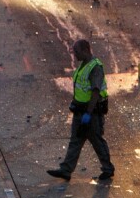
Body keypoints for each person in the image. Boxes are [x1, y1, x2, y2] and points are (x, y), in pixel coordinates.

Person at [47, 39, 115, 181]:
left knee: (96, 140)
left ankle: (108, 169)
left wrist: (88, 114)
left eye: (77, 52)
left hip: (91, 113)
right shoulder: (84, 65)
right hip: (80, 111)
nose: (75, 55)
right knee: (76, 140)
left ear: (85, 50)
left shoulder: (95, 68)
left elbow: (95, 92)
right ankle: (66, 170)